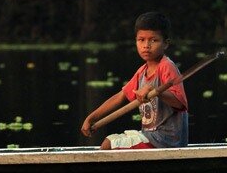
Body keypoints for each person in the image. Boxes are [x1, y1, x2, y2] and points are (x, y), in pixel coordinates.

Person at [80, 11, 190, 149]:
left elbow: (180, 103)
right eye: (141, 40)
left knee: (108, 145)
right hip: (150, 137)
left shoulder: (167, 67)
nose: (146, 45)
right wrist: (91, 118)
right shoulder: (141, 72)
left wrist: (155, 91)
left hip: (166, 141)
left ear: (166, 44)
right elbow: (120, 97)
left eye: (153, 40)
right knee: (109, 139)